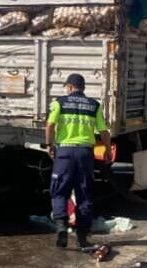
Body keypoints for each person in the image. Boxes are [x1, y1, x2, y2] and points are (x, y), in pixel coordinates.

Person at [45, 73, 111, 249]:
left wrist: (49, 145)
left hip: (64, 153)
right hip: (85, 153)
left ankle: (61, 227)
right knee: (84, 193)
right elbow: (104, 131)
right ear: (83, 88)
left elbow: (50, 125)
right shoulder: (94, 105)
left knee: (60, 191)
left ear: (69, 87)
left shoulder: (59, 103)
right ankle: (82, 237)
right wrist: (107, 149)